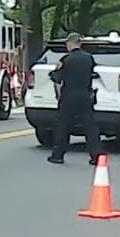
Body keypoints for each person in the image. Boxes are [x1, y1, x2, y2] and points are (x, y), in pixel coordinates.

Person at [47, 32, 102, 165]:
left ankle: (58, 155)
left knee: (63, 126)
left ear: (70, 43)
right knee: (90, 126)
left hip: (69, 96)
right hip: (85, 95)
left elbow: (56, 77)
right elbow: (94, 74)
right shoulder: (89, 58)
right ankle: (95, 155)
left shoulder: (66, 59)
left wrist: (54, 73)